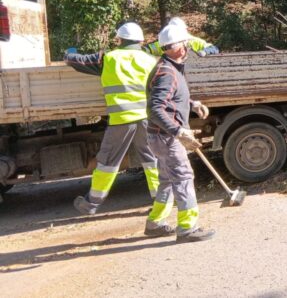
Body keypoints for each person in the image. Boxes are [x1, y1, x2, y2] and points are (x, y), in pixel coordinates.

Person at [65, 22, 160, 215]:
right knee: (152, 160)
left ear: (119, 40)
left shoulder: (108, 58)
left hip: (121, 119)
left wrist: (69, 53)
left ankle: (91, 203)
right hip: (145, 118)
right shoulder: (150, 60)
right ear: (141, 40)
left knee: (108, 162)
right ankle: (162, 200)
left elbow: (78, 61)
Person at [143, 23, 215, 242]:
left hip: (159, 136)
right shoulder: (168, 72)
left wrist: (192, 104)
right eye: (186, 43)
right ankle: (187, 228)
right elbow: (155, 108)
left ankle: (155, 223)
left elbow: (169, 98)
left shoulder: (168, 67)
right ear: (182, 47)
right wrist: (178, 131)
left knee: (166, 180)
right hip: (167, 137)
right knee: (183, 177)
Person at [142, 16, 219, 57]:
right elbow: (145, 50)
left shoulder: (193, 41)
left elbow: (213, 48)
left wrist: (204, 52)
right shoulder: (162, 43)